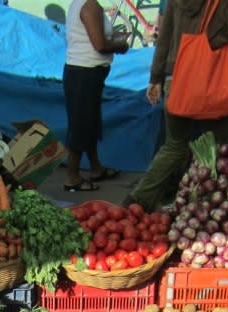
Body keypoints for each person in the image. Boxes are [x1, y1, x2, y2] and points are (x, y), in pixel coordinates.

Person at [125, 0, 228, 212]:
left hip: (176, 79)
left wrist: (156, 77)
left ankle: (138, 200)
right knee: (215, 149)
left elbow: (164, 37)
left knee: (174, 146)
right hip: (213, 83)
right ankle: (207, 207)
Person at [62, 0, 129, 192]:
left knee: (89, 121)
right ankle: (72, 177)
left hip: (86, 72)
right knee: (81, 124)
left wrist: (113, 37)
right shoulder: (89, 6)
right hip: (84, 72)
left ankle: (96, 167)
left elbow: (95, 36)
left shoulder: (82, 3)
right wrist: (120, 45)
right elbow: (99, 45)